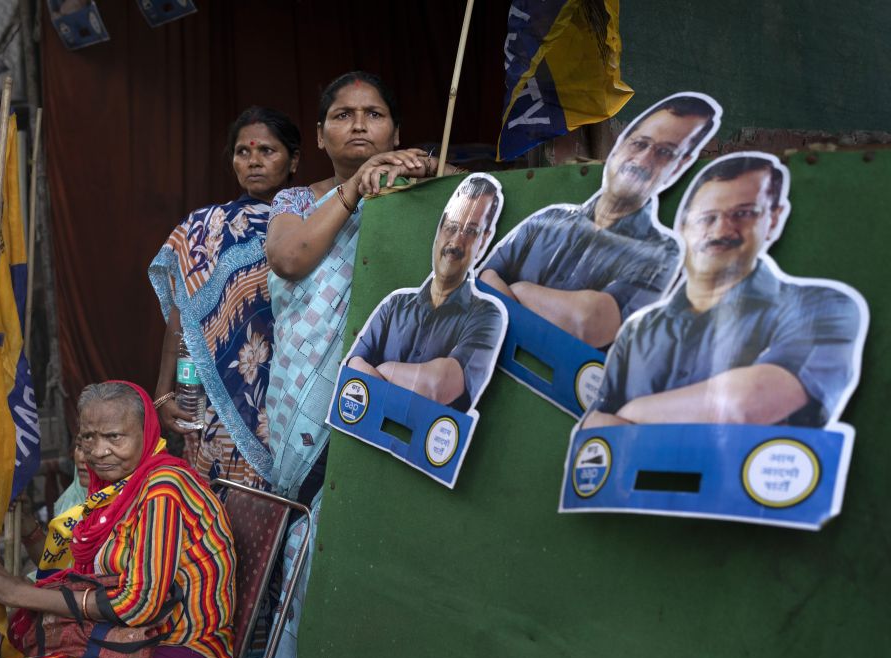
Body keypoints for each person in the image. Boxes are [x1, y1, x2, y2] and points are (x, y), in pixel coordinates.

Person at [263, 71, 461, 658]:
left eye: (373, 114)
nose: (358, 124)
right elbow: (290, 259)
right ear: (320, 136)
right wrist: (351, 192)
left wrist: (431, 173)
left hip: (391, 399)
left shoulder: (429, 194)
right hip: (307, 411)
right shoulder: (297, 202)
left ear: (396, 131)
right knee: (309, 556)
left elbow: (490, 211)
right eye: (343, 115)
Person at [0, 381, 236, 658]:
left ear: (147, 431)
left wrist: (18, 592)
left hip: (174, 646)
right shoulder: (113, 490)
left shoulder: (163, 489)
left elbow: (139, 606)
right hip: (116, 637)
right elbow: (79, 573)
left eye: (114, 437)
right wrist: (28, 542)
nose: (98, 451)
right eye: (88, 437)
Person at [583, 154, 866, 429]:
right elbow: (594, 425)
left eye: (743, 213)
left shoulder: (820, 307)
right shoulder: (639, 329)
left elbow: (743, 405)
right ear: (682, 226)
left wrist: (631, 413)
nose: (721, 230)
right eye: (707, 218)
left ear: (774, 218)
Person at [479, 93, 720, 348]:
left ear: (681, 164)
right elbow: (485, 281)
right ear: (621, 144)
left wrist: (520, 290)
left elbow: (589, 323)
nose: (643, 159)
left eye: (664, 152)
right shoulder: (549, 218)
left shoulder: (663, 254)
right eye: (640, 144)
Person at [149, 106, 301, 490]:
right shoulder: (205, 229)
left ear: (294, 159)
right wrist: (165, 390)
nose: (253, 161)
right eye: (243, 152)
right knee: (225, 511)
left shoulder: (314, 221)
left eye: (267, 151)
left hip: (295, 387)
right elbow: (182, 318)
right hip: (220, 396)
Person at [347, 175, 505, 411]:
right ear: (439, 230)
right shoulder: (395, 305)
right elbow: (354, 367)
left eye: (471, 231)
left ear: (483, 241)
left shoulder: (488, 316)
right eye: (451, 227)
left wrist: (384, 370)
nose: (456, 242)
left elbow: (437, 385)